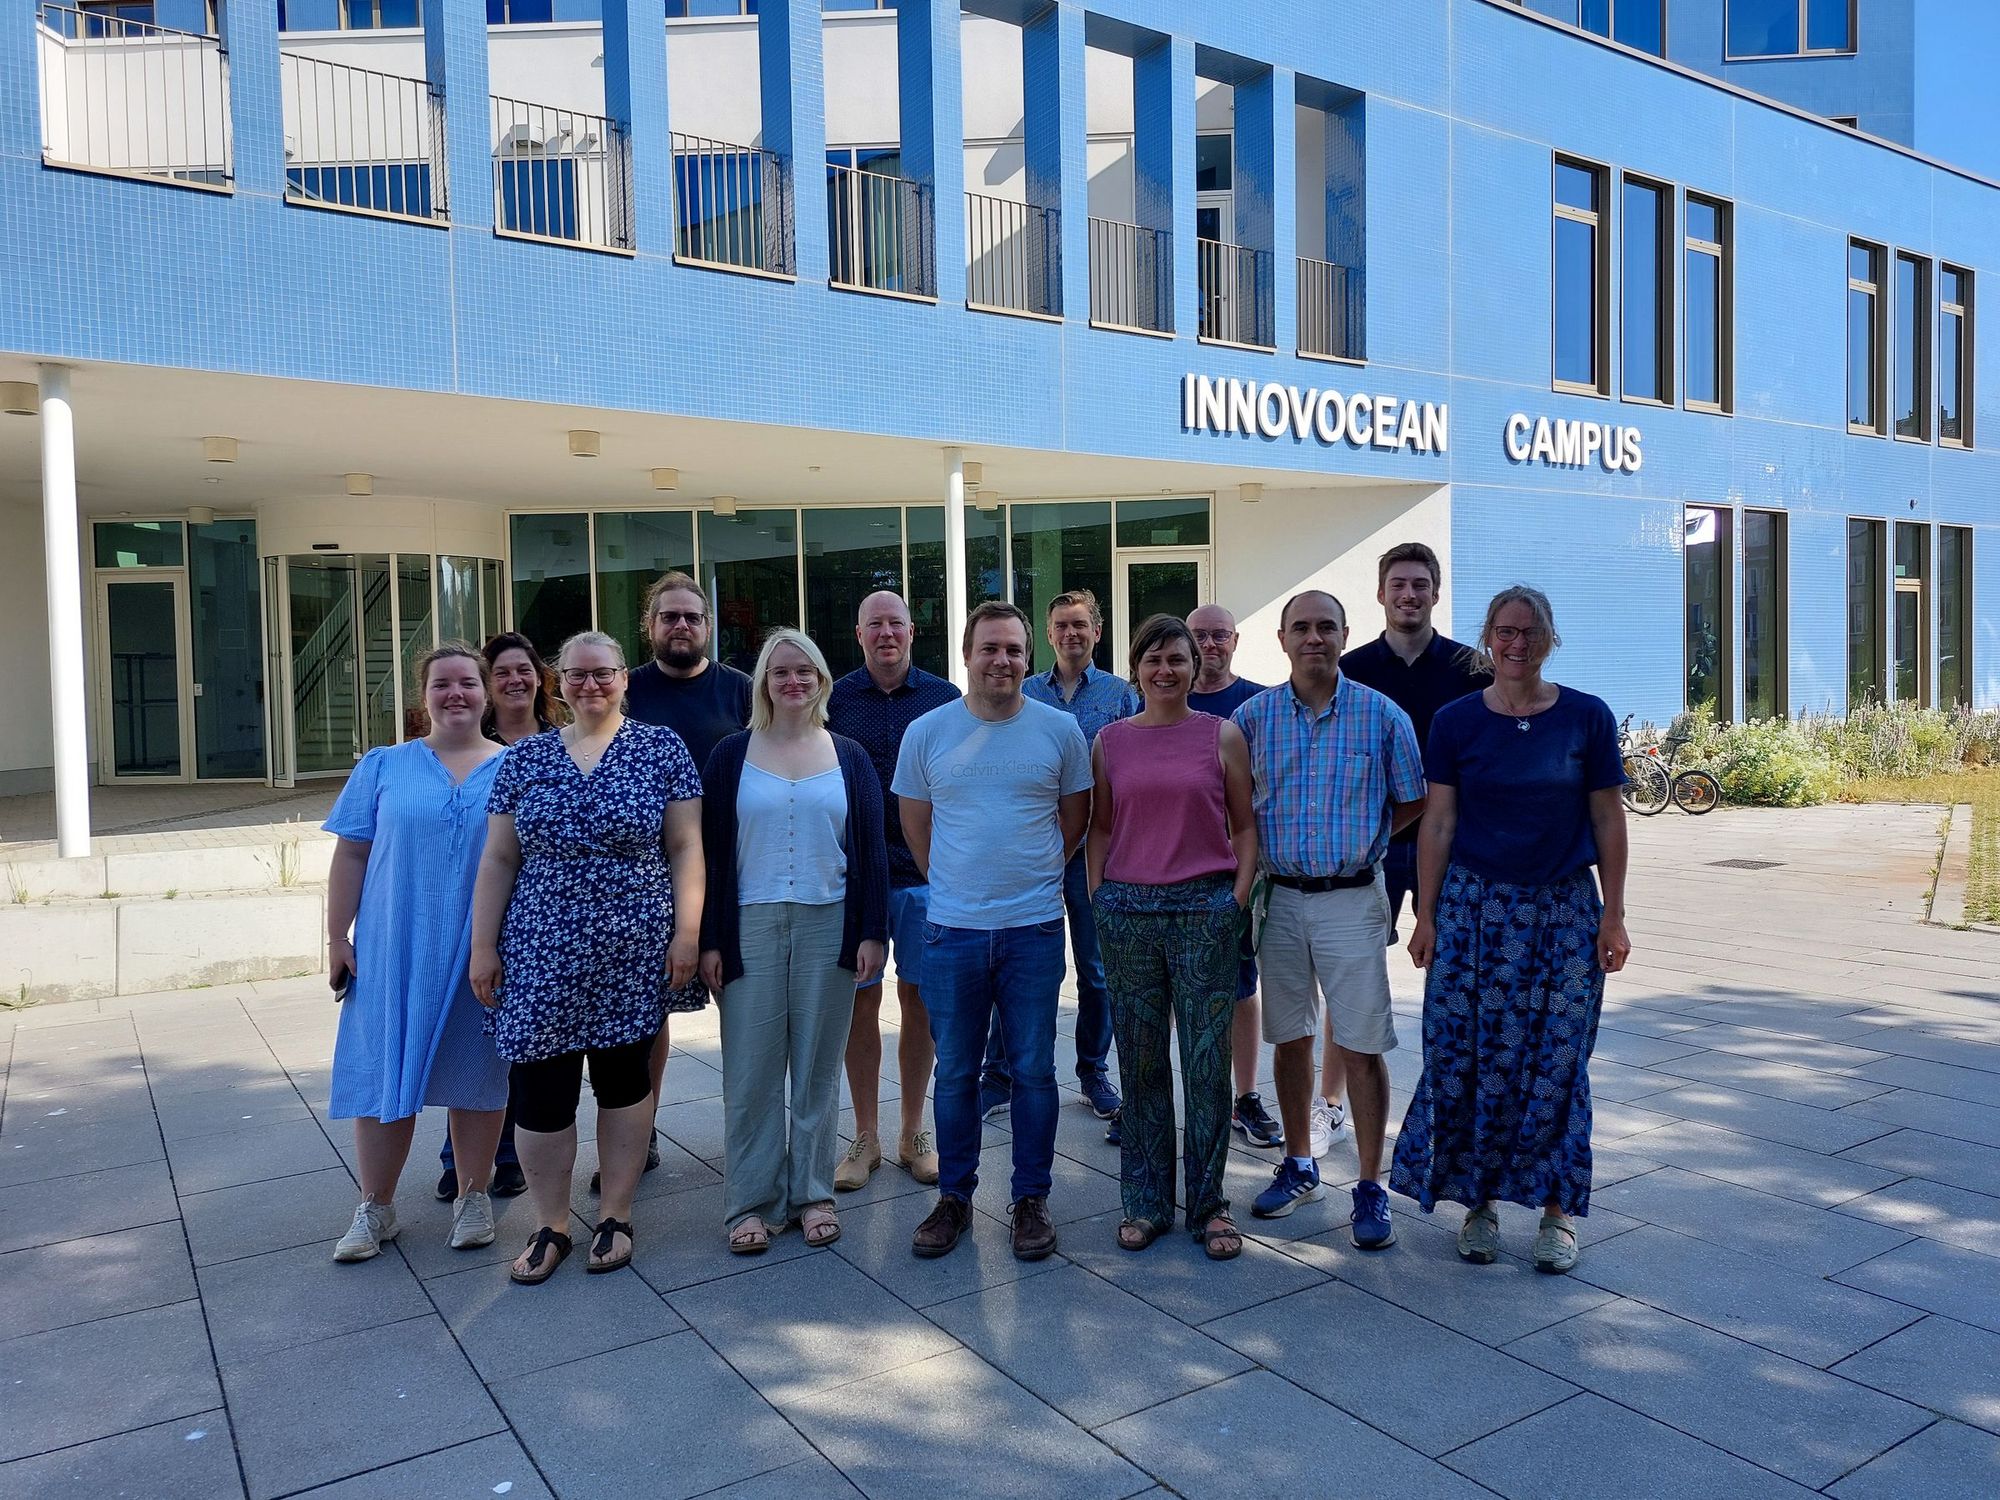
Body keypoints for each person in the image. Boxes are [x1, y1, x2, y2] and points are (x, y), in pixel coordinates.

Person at [1390, 586, 1631, 1275]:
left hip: (1563, 912)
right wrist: (1427, 915)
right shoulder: (1457, 721)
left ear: (1548, 639)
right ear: (1487, 639)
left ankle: (1557, 1212)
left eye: (1528, 632)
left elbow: (1609, 820)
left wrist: (1613, 912)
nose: (1515, 643)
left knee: (1558, 1060)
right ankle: (1480, 1201)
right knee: (1467, 1058)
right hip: (1474, 912)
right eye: (1503, 631)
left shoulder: (1586, 717)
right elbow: (1437, 822)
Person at [469, 631, 705, 1284]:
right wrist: (482, 945)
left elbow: (686, 846)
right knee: (540, 1089)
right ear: (559, 681)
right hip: (540, 952)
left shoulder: (662, 748)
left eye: (603, 673)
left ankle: (616, 1214)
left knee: (624, 1082)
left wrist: (687, 933)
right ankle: (551, 1224)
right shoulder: (526, 760)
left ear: (624, 678)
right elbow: (499, 857)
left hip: (633, 950)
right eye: (576, 674)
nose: (590, 684)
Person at [893, 601, 1092, 1262]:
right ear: (967, 654)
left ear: (1026, 656)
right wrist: (960, 884)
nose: (1001, 660)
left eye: (1012, 649)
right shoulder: (927, 733)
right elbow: (917, 828)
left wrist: (1028, 880)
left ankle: (1030, 1200)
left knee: (1034, 1070)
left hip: (1033, 930)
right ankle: (954, 1198)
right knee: (955, 1073)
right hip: (953, 931)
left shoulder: (1061, 732)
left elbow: (1074, 821)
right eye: (989, 648)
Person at [1233, 590, 1424, 1248]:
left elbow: (1412, 800)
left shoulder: (1381, 716)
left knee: (1363, 1046)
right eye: (1302, 628)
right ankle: (1299, 1162)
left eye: (1326, 627)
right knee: (1289, 1039)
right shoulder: (1252, 719)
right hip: (1280, 898)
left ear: (1346, 635)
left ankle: (1371, 1185)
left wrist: (1364, 843)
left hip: (1351, 897)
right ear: (1282, 639)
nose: (1314, 638)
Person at [699, 630, 890, 1253]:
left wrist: (872, 931)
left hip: (828, 922)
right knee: (751, 1071)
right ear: (763, 681)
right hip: (748, 923)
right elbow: (708, 854)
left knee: (814, 1068)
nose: (793, 681)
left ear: (821, 679)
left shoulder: (849, 755)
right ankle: (750, 1203)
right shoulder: (731, 754)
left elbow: (870, 851)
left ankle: (812, 1193)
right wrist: (710, 938)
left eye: (805, 670)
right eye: (781, 671)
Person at [326, 644, 510, 1263]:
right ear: (423, 695)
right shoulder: (383, 766)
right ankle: (375, 1206)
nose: (455, 694)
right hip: (394, 946)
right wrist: (336, 938)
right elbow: (351, 853)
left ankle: (473, 1195)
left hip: (481, 947)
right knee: (386, 1068)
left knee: (478, 1073)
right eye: (442, 684)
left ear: (486, 693)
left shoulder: (515, 768)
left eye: (467, 683)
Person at [1089, 615, 1258, 1261]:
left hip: (1203, 911)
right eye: (1154, 659)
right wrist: (1102, 896)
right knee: (1140, 1063)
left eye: (1178, 660)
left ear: (1196, 668)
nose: (1166, 670)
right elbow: (1100, 827)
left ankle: (1210, 1206)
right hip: (1128, 912)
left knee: (1208, 1065)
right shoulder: (1110, 741)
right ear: (1137, 667)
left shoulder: (1222, 735)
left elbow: (1244, 828)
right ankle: (1145, 1201)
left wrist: (1234, 902)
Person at [1321, 543, 1491, 1159]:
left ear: (1436, 593)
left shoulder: (1473, 668)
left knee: (1455, 975)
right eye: (1398, 585)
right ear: (1380, 594)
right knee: (1352, 974)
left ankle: (1450, 1103)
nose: (1409, 595)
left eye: (1420, 585)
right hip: (1377, 844)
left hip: (1455, 844)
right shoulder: (1355, 668)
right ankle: (1331, 1104)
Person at [621, 572, 752, 1183]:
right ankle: (637, 1133)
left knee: (745, 1012)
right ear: (650, 626)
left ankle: (750, 1141)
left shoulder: (742, 692)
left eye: (691, 617)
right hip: (644, 880)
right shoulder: (627, 694)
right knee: (647, 1018)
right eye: (669, 617)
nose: (681, 626)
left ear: (708, 626)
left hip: (733, 875)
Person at [983, 588, 1132, 1126]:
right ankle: (998, 1075)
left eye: (1080, 625)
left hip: (1098, 855)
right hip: (1033, 853)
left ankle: (1093, 1071)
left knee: (1096, 971)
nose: (1071, 634)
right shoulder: (1024, 692)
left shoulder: (1121, 697)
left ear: (1097, 631)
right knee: (1013, 965)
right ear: (1048, 635)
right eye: (1061, 626)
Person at [826, 592, 960, 1192]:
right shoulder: (833, 701)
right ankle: (865, 1136)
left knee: (920, 1003)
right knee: (858, 1004)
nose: (887, 633)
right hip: (852, 882)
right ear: (859, 633)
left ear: (912, 632)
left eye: (896, 624)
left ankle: (913, 1131)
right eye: (875, 623)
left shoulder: (943, 700)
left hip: (923, 876)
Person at [436, 630, 566, 1205]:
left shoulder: (564, 745)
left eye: (524, 669)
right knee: (472, 1035)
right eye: (501, 672)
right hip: (479, 912)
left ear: (541, 678)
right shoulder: (471, 743)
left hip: (541, 918)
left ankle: (510, 1154)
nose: (514, 680)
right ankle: (460, 1161)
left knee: (524, 1042)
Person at [1186, 603, 1282, 1153]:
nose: (1209, 645)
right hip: (1177, 870)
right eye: (1200, 635)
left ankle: (1245, 1096)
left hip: (1238, 868)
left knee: (1242, 988)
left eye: (1219, 635)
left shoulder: (1259, 703)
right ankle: (1177, 1094)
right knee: (1178, 991)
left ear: (1237, 640)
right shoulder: (1163, 696)